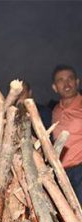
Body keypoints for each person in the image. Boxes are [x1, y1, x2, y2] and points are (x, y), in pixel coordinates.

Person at [51, 64, 82, 204]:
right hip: (61, 174)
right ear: (55, 87)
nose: (66, 83)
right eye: (61, 80)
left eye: (70, 78)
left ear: (77, 82)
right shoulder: (55, 110)